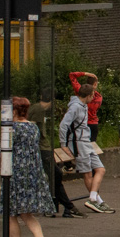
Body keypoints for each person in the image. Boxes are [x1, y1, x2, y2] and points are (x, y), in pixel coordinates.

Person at [4, 97, 54, 237]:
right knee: (27, 214)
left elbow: (6, 151)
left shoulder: (11, 129)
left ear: (15, 111)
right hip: (32, 174)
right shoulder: (33, 127)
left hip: (15, 173)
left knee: (11, 214)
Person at [59, 81, 113, 213]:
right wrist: (63, 145)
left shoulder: (83, 105)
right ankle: (96, 201)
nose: (93, 98)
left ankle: (93, 198)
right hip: (78, 142)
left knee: (100, 169)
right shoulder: (75, 107)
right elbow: (63, 125)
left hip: (86, 141)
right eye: (92, 95)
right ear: (88, 95)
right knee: (87, 173)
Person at [29, 88, 81, 218]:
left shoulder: (36, 108)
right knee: (55, 175)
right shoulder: (39, 110)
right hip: (42, 148)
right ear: (52, 100)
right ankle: (67, 206)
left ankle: (59, 205)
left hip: (44, 147)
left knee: (54, 176)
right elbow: (33, 128)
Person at [69, 71, 103, 142]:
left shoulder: (80, 91)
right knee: (92, 147)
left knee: (80, 145)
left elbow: (72, 75)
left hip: (81, 123)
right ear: (95, 84)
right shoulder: (98, 97)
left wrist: (85, 73)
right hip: (93, 124)